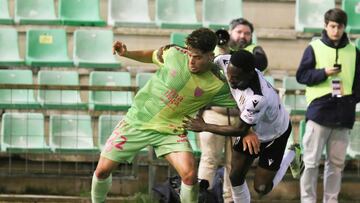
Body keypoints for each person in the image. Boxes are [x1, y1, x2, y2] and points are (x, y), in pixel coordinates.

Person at [91, 28, 237, 203]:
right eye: (190, 54)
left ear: (210, 55)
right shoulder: (173, 53)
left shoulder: (217, 83)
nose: (191, 61)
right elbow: (152, 55)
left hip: (171, 131)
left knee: (190, 176)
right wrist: (127, 53)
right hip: (137, 120)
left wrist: (249, 129)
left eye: (197, 57)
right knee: (101, 171)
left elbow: (244, 101)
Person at [184, 50, 301, 203]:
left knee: (261, 189)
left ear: (250, 74)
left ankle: (292, 154)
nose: (230, 80)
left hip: (275, 134)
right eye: (229, 75)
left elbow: (239, 129)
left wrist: (204, 126)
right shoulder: (225, 62)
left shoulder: (257, 98)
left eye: (236, 78)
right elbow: (206, 64)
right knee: (235, 177)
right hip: (252, 127)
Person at [198, 18, 268, 203]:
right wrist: (223, 49)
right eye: (239, 32)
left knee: (234, 166)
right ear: (230, 33)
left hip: (242, 119)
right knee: (209, 160)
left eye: (247, 33)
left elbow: (261, 63)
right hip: (214, 113)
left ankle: (230, 200)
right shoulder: (216, 51)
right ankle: (204, 198)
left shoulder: (254, 52)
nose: (243, 36)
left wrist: (235, 54)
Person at [296, 8, 360, 203]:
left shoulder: (354, 51)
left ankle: (331, 200)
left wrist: (350, 101)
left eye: (339, 26)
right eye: (332, 26)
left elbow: (358, 83)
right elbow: (302, 76)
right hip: (319, 112)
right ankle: (308, 200)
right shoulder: (314, 48)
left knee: (337, 165)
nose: (336, 30)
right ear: (326, 26)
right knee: (310, 162)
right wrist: (323, 73)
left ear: (344, 28)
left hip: (344, 114)